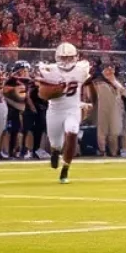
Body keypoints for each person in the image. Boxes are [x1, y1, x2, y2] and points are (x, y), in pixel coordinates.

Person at [35, 43, 92, 184]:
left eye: (69, 58)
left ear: (75, 57)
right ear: (57, 57)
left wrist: (86, 102)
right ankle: (55, 152)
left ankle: (65, 168)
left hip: (73, 109)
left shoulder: (81, 69)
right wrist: (52, 90)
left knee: (72, 132)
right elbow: (42, 94)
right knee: (56, 143)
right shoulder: (50, 70)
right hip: (55, 110)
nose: (66, 61)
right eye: (63, 58)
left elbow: (87, 84)